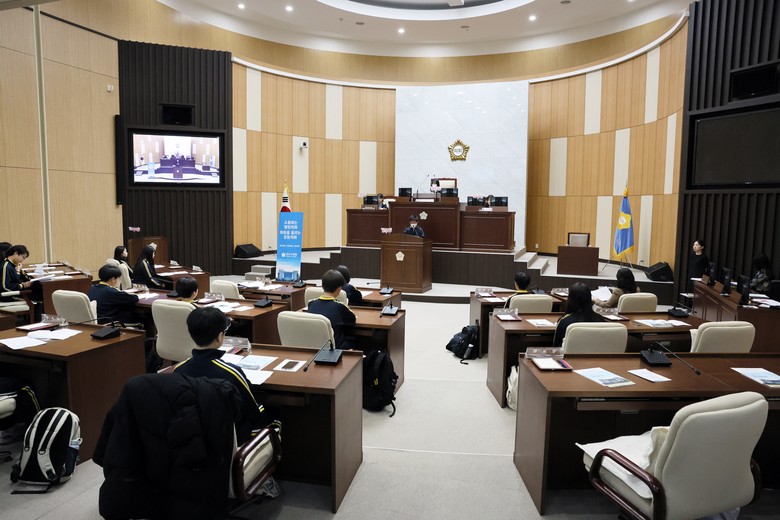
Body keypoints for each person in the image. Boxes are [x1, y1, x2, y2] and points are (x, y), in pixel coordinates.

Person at [174, 307, 271, 445]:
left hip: (193, 442)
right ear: (220, 336)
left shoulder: (178, 371)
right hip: (230, 443)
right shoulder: (232, 373)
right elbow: (253, 411)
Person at [307, 269, 356, 350]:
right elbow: (352, 320)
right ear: (339, 288)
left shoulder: (311, 304)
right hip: (336, 349)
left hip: (315, 348)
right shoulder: (341, 307)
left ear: (322, 286)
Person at [553, 283, 604, 347]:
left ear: (570, 300)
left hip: (569, 353)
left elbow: (556, 346)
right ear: (590, 299)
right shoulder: (600, 319)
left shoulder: (564, 321)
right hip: (596, 353)